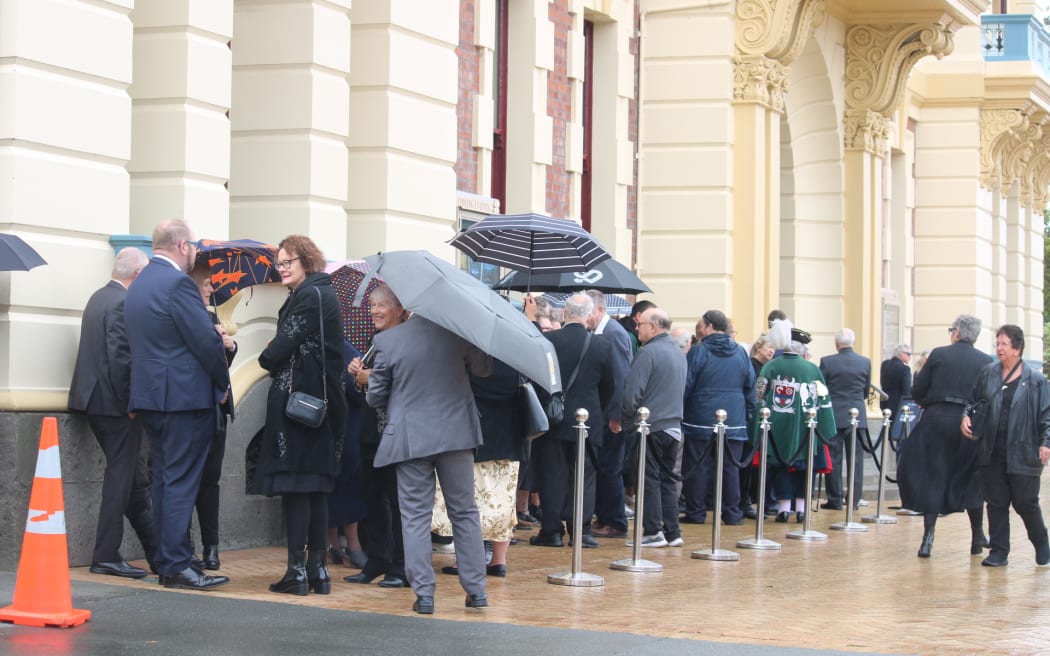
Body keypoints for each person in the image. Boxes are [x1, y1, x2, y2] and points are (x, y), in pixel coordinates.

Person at [124, 219, 230, 591]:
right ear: (182, 245)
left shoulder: (138, 285)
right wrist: (222, 383)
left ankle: (170, 562)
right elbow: (204, 342)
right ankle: (178, 565)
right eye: (195, 247)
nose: (197, 254)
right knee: (180, 483)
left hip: (153, 398)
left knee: (166, 482)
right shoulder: (177, 284)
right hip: (184, 399)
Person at [366, 306, 493, 615]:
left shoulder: (390, 341)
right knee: (464, 512)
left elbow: (374, 396)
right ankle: (476, 590)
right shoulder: (459, 335)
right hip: (457, 436)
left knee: (414, 516)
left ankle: (424, 594)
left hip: (411, 439)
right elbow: (484, 370)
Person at [254, 235, 347, 595]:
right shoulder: (322, 292)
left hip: (300, 407)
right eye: (279, 263)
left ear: (305, 261)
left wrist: (267, 354)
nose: (281, 268)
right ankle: (317, 570)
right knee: (315, 489)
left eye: (287, 262)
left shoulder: (309, 294)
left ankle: (297, 572)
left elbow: (281, 346)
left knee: (297, 486)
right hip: (319, 404)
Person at [69, 247, 156, 579]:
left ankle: (153, 551)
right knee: (120, 478)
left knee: (130, 477)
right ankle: (106, 554)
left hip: (93, 400)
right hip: (113, 405)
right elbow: (120, 358)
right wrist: (131, 402)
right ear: (136, 275)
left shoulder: (97, 297)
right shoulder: (121, 302)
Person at [896, 314, 990, 558]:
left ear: (957, 332)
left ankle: (928, 539)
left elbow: (917, 391)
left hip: (936, 421)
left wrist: (933, 403)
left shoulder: (938, 354)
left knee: (933, 478)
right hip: (968, 425)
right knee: (971, 478)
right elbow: (987, 398)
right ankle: (977, 537)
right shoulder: (985, 361)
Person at [530, 293, 616, 549]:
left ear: (565, 313)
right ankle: (582, 531)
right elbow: (610, 386)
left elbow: (538, 379)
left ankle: (552, 530)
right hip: (588, 419)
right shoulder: (602, 345)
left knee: (553, 475)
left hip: (555, 418)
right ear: (589, 314)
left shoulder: (549, 341)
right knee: (585, 477)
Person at [962, 325, 1050, 567]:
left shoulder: (1035, 380)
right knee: (996, 502)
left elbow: (1046, 415)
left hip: (1024, 449)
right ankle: (999, 552)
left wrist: (1046, 443)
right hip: (991, 449)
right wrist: (965, 417)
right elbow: (972, 402)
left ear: (1017, 348)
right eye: (997, 344)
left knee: (1025, 501)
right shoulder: (988, 373)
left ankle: (1041, 541)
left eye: (1003, 344)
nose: (999, 349)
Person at [436, 358, 527, 577]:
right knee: (503, 500)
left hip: (474, 433)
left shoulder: (473, 358)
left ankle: (465, 561)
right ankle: (499, 560)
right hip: (508, 435)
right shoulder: (518, 358)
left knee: (468, 500)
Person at [344, 284, 409, 589]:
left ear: (399, 309)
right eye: (372, 305)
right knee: (371, 497)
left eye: (382, 305)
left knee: (398, 502)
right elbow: (367, 388)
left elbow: (408, 384)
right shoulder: (375, 340)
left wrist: (371, 378)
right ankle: (377, 559)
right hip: (372, 432)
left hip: (397, 433)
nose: (375, 311)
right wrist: (359, 375)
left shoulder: (409, 340)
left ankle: (401, 564)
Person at [751, 319, 835, 523]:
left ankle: (783, 508)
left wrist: (757, 424)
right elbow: (823, 399)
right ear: (802, 349)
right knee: (806, 467)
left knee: (781, 468)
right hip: (807, 425)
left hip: (777, 427)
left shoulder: (770, 367)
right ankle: (802, 508)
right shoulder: (812, 369)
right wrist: (827, 427)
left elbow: (759, 395)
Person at [620, 307, 687, 547]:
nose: (637, 328)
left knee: (647, 479)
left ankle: (652, 531)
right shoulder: (679, 352)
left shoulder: (648, 352)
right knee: (668, 480)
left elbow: (632, 393)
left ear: (654, 326)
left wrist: (627, 422)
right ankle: (673, 531)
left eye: (641, 325)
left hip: (651, 427)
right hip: (673, 427)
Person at [681, 310, 755, 525]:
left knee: (698, 467)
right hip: (734, 418)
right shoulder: (740, 353)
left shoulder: (699, 351)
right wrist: (747, 412)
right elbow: (750, 385)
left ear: (710, 326)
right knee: (730, 468)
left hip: (700, 417)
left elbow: (687, 383)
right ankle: (732, 513)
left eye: (702, 326)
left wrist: (683, 409)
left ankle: (696, 512)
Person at [188, 266, 238, 571]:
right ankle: (187, 547)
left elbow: (221, 361)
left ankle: (211, 547)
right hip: (197, 408)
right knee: (188, 482)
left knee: (211, 482)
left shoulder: (210, 315)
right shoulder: (188, 316)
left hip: (217, 411)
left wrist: (230, 347)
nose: (211, 289)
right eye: (207, 284)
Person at [585, 289, 631, 540]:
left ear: (600, 310)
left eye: (588, 311)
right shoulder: (603, 333)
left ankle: (613, 521)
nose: (586, 317)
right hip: (603, 414)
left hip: (611, 416)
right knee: (604, 466)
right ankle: (605, 517)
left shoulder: (613, 335)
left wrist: (616, 415)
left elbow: (620, 378)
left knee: (610, 468)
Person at [818, 328, 870, 511]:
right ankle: (854, 499)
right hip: (857, 414)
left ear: (836, 344)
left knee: (834, 457)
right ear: (853, 343)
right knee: (856, 459)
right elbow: (865, 391)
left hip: (834, 414)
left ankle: (835, 498)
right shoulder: (865, 362)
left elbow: (822, 389)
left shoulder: (827, 362)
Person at [880, 344, 913, 420]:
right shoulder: (905, 369)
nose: (910, 357)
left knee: (886, 427)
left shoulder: (884, 364)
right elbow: (906, 391)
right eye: (908, 354)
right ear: (901, 354)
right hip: (898, 405)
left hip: (884, 402)